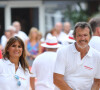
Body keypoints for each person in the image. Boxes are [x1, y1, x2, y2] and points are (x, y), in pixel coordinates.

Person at [54, 22, 100, 90]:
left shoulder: (97, 56)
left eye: (85, 35)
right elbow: (57, 79)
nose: (82, 38)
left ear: (90, 37)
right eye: (79, 35)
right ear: (74, 37)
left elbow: (97, 81)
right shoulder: (63, 52)